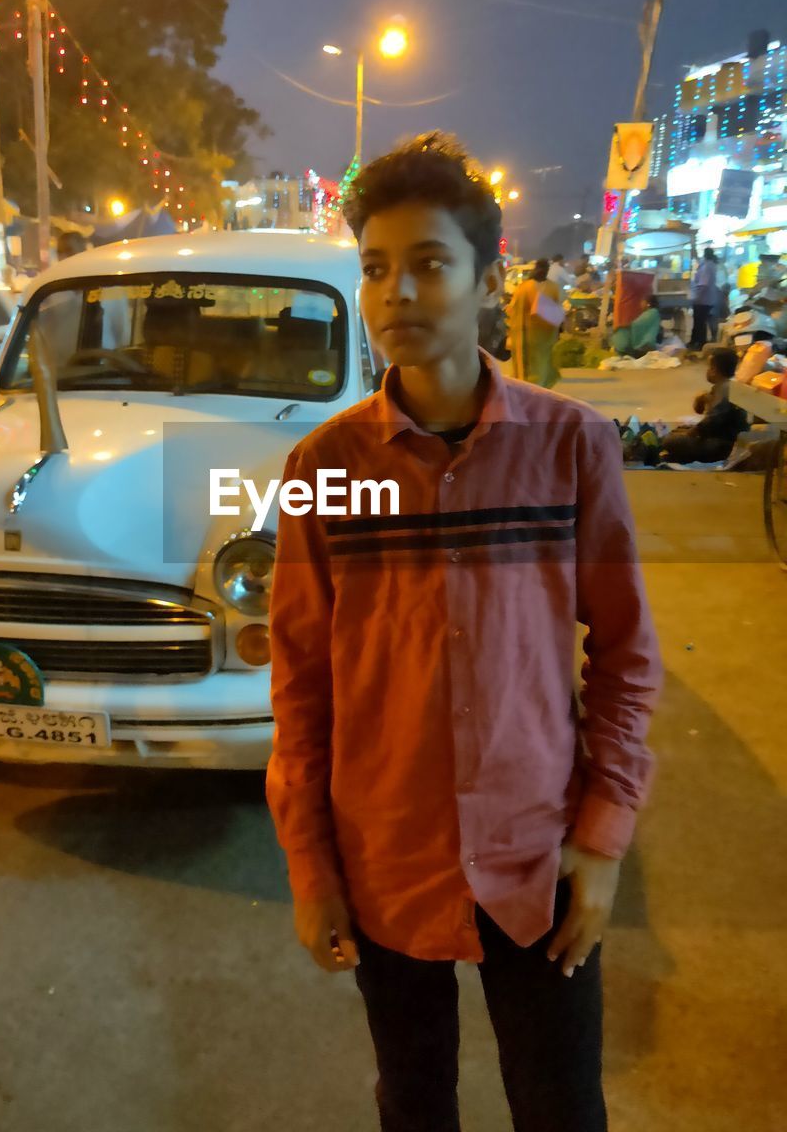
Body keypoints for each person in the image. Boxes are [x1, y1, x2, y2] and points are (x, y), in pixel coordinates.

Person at [267, 131, 661, 1132]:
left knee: (561, 1100)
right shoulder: (327, 465)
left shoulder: (572, 447)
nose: (397, 291)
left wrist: (604, 835)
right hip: (384, 858)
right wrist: (312, 866)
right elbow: (301, 678)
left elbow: (625, 650)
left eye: (430, 264)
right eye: (376, 267)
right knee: (413, 1099)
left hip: (539, 857)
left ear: (490, 280)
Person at [661, 347, 749, 464]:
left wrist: (690, 433)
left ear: (714, 370)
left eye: (709, 367)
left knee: (669, 441)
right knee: (677, 432)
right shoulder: (725, 386)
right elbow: (701, 411)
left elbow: (711, 422)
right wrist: (702, 400)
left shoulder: (725, 389)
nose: (707, 371)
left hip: (722, 445)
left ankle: (687, 456)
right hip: (721, 439)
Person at [508, 256, 562, 388]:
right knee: (534, 364)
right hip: (533, 335)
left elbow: (558, 309)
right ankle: (533, 388)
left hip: (537, 335)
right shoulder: (528, 288)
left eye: (546, 269)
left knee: (537, 364)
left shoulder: (548, 287)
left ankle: (536, 388)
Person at [689, 246, 719, 350]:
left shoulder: (706, 266)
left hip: (702, 300)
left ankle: (700, 343)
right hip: (705, 299)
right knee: (699, 321)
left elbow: (703, 284)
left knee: (699, 322)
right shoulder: (710, 265)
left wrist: (696, 297)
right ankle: (696, 341)